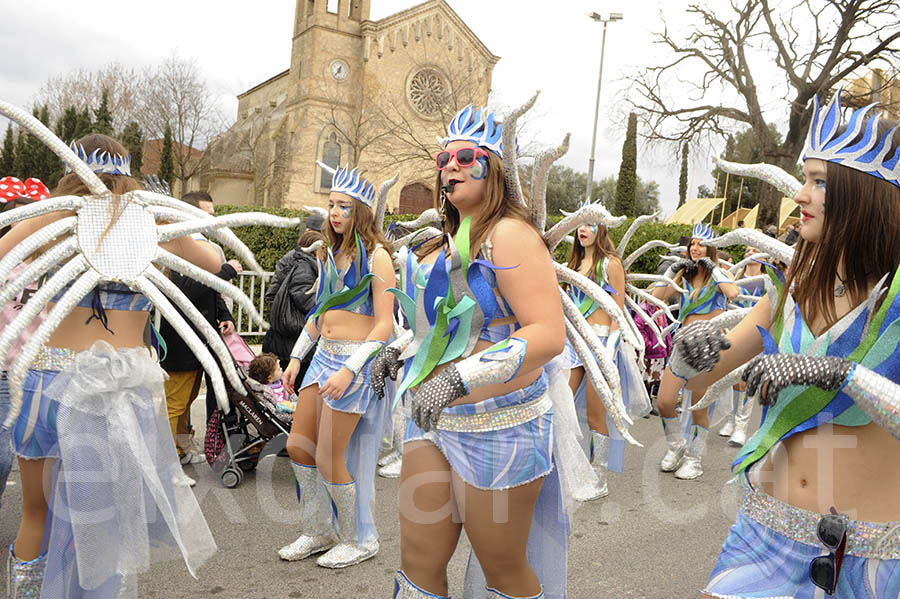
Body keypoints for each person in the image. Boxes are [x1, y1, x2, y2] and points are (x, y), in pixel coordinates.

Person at [676, 91, 900, 597]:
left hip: (871, 558)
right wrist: (688, 354)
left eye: (819, 182)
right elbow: (693, 379)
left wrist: (837, 374)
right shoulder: (796, 280)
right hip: (764, 532)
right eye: (805, 179)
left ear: (866, 193)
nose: (801, 195)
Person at [1, 132, 221, 598]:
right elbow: (215, 260)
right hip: (119, 390)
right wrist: (161, 214)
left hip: (47, 382)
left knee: (35, 514)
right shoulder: (148, 223)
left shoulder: (56, 216)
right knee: (107, 524)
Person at [371, 104, 575, 599]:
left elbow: (548, 333)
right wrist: (402, 352)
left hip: (501, 427)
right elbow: (443, 330)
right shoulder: (442, 245)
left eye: (467, 156)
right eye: (445, 158)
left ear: (496, 169)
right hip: (432, 422)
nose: (451, 166)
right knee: (418, 560)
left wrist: (459, 379)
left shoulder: (510, 235)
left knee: (502, 568)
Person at [278, 165, 394, 569]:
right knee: (298, 446)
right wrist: (295, 358)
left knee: (330, 455)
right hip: (322, 357)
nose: (335, 213)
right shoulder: (330, 253)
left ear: (360, 210)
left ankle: (358, 538)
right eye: (331, 205)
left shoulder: (378, 257)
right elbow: (318, 313)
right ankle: (319, 530)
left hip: (355, 364)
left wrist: (351, 370)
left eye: (344, 206)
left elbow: (385, 324)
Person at [562, 217, 649, 499]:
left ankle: (599, 478)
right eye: (580, 225)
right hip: (573, 342)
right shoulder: (572, 264)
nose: (583, 230)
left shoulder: (610, 263)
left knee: (596, 414)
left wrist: (610, 345)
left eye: (590, 225)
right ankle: (567, 469)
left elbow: (617, 308)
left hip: (601, 343)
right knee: (560, 405)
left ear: (602, 229)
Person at [650, 223, 739, 480]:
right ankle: (677, 447)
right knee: (665, 401)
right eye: (692, 243)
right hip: (682, 343)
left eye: (701, 244)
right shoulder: (685, 276)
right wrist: (673, 269)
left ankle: (695, 458)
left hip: (708, 345)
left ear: (711, 248)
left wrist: (714, 267)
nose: (695, 248)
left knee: (700, 406)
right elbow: (657, 296)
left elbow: (731, 292)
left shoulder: (721, 273)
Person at [160, 190, 239, 474]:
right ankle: (166, 464)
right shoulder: (177, 246)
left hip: (199, 339)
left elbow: (210, 293)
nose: (212, 219)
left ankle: (181, 450)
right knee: (174, 404)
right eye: (207, 214)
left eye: (213, 214)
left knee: (187, 401)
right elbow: (186, 292)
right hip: (180, 339)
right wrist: (227, 271)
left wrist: (225, 315)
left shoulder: (200, 245)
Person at [0, 189, 47, 513]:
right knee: (3, 458)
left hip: (46, 372)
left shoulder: (55, 264)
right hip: (5, 375)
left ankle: (48, 530)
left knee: (50, 460)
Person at [261, 228, 326, 371]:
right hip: (294, 337)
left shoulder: (295, 260)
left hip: (285, 337)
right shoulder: (305, 267)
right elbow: (306, 298)